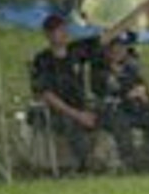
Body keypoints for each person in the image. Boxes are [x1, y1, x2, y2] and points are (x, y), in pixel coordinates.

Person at [28, 14, 103, 173]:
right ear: (48, 35)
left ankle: (130, 163)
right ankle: (84, 166)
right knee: (71, 125)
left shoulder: (76, 51)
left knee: (109, 114)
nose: (63, 34)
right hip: (55, 112)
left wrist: (141, 10)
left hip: (81, 107)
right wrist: (77, 115)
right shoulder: (42, 61)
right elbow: (46, 95)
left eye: (64, 29)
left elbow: (106, 38)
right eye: (58, 31)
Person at [91, 36, 149, 172]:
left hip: (133, 110)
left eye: (121, 48)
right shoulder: (100, 71)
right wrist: (128, 93)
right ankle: (131, 164)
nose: (118, 51)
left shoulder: (131, 69)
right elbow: (109, 88)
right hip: (111, 112)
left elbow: (143, 89)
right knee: (121, 123)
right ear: (107, 52)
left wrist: (144, 95)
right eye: (114, 49)